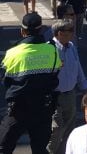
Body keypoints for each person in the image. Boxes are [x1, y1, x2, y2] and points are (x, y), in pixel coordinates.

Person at [0, 12, 62, 153]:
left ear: (22, 31)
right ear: (41, 30)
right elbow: (55, 73)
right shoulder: (52, 50)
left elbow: (6, 80)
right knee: (40, 148)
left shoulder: (13, 53)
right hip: (43, 108)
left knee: (3, 146)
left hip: (18, 110)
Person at [47, 20, 87, 154]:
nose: (72, 33)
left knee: (70, 126)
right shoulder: (50, 49)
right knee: (56, 128)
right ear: (60, 33)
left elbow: (78, 67)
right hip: (55, 96)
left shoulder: (71, 46)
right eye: (70, 31)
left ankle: (65, 151)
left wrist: (84, 86)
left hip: (70, 93)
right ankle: (50, 151)